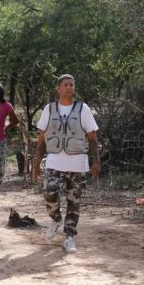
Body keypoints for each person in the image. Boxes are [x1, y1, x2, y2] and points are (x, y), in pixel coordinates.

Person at [33, 74, 100, 253]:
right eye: (66, 84)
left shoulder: (82, 109)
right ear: (59, 88)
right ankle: (56, 219)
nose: (70, 87)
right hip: (54, 162)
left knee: (74, 202)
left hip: (77, 164)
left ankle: (70, 238)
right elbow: (41, 139)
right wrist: (36, 162)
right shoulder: (49, 109)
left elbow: (92, 138)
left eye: (72, 84)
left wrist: (96, 162)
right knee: (49, 192)